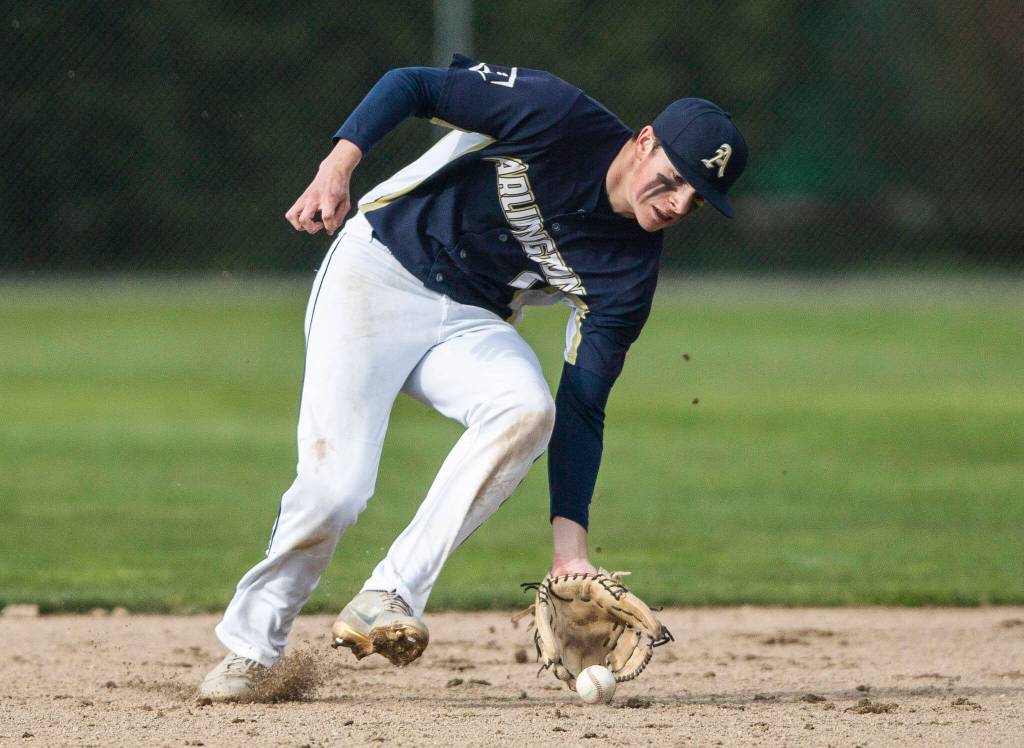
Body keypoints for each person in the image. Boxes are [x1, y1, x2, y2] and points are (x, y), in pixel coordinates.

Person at [199, 54, 747, 700]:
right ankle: (252, 649)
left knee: (527, 408)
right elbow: (413, 84)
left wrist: (569, 553)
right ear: (645, 141)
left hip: (470, 321)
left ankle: (391, 592)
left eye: (698, 199)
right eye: (675, 177)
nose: (680, 202)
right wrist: (337, 165)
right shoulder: (556, 116)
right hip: (376, 273)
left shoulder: (628, 274)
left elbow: (582, 407)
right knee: (336, 489)